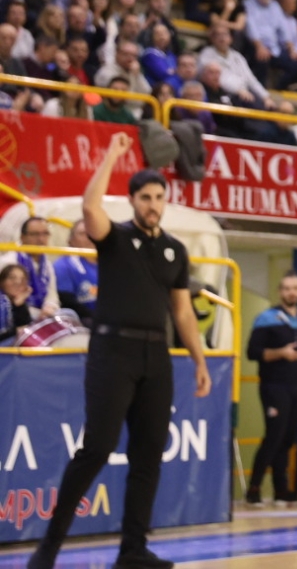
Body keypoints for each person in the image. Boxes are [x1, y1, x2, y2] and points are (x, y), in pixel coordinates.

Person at [28, 134, 211, 569]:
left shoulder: (175, 250)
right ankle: (48, 547)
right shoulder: (113, 238)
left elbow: (183, 313)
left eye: (159, 197)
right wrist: (111, 155)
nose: (153, 204)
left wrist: (200, 361)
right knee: (97, 448)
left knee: (148, 453)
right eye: (145, 197)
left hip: (156, 358)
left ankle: (132, 550)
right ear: (131, 201)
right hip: (112, 352)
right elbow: (91, 209)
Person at [245, 272, 297, 506]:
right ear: (279, 291)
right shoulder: (266, 318)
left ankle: (282, 490)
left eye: (295, 288)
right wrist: (280, 354)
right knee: (273, 436)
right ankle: (253, 489)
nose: (291, 292)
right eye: (286, 288)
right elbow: (252, 352)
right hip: (274, 386)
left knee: (288, 438)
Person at [54, 220, 99, 319]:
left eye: (92, 232)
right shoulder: (64, 265)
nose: (89, 237)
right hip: (83, 320)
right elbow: (67, 301)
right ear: (71, 240)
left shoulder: (108, 261)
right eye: (82, 234)